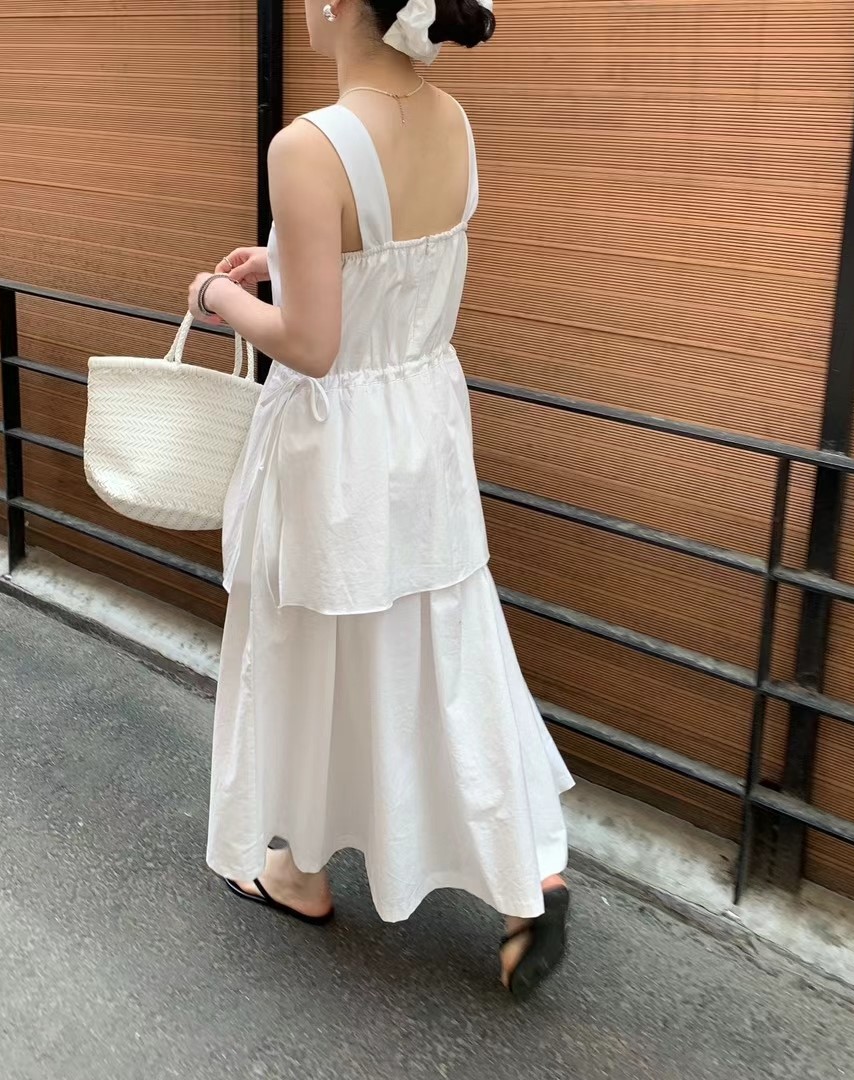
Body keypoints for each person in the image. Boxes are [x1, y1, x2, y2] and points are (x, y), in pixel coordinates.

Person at [186, 0, 573, 1000]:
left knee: (311, 645)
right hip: (422, 427)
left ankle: (298, 870)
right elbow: (393, 263)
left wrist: (221, 297)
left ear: (338, 6)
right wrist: (282, 259)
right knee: (442, 637)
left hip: (334, 440)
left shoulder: (306, 145)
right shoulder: (451, 121)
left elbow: (312, 346)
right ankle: (526, 861)